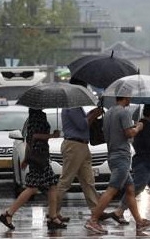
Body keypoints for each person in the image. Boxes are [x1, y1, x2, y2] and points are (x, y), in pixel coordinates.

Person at [84, 96, 150, 234]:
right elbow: (129, 133)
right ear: (126, 97)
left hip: (112, 154)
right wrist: (138, 127)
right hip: (121, 156)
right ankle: (93, 220)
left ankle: (139, 222)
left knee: (130, 189)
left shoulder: (109, 112)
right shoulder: (123, 112)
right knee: (112, 189)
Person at [0, 108, 66, 230]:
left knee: (50, 186)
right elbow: (34, 136)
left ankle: (53, 217)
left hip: (38, 157)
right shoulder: (37, 117)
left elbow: (29, 139)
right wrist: (52, 135)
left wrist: (26, 157)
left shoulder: (34, 116)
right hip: (39, 157)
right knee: (33, 188)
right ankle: (8, 213)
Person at [55, 77, 105, 222]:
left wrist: (92, 113)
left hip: (82, 146)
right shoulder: (72, 105)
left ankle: (96, 210)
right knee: (65, 181)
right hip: (74, 146)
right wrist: (94, 115)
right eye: (85, 88)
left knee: (88, 181)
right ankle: (53, 213)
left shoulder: (76, 105)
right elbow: (82, 125)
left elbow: (83, 122)